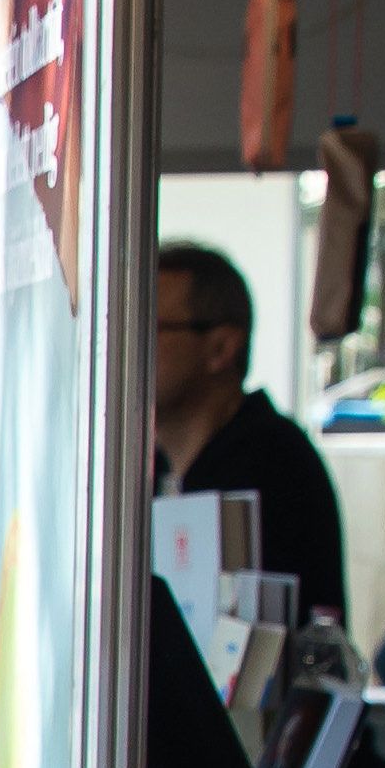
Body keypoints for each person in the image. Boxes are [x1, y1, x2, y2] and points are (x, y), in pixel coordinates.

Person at [149, 243, 348, 635]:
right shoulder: (153, 468)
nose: (122, 346)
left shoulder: (273, 463)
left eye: (147, 326)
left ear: (221, 347)